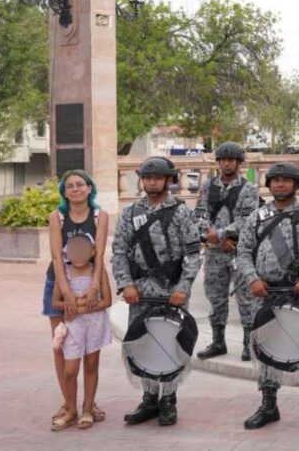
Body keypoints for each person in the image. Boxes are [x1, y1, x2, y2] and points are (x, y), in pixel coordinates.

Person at [235, 162, 299, 431]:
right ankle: (268, 404)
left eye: (287, 180)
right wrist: (252, 279)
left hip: (298, 294)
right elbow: (242, 252)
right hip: (264, 294)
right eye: (275, 180)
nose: (280, 184)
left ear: (297, 184)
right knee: (265, 348)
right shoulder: (257, 216)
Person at [112, 157, 204, 427]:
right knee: (142, 345)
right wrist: (125, 283)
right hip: (140, 292)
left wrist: (183, 288)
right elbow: (119, 250)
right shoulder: (130, 213)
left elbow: (192, 253)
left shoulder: (181, 212)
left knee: (169, 346)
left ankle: (168, 400)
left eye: (157, 177)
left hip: (171, 292)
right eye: (147, 177)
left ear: (168, 180)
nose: (151, 181)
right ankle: (149, 399)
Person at [46, 170, 110, 431]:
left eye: (80, 185)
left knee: (90, 352)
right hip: (59, 285)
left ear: (89, 188)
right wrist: (67, 292)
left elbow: (100, 255)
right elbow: (56, 257)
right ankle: (69, 404)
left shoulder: (100, 216)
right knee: (63, 346)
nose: (75, 189)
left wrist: (95, 286)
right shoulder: (57, 217)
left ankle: (88, 405)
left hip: (91, 284)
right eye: (69, 186)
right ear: (64, 191)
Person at [193, 142, 261, 361]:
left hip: (240, 252)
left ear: (239, 163)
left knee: (246, 299)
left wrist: (222, 234)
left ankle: (248, 344)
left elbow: (249, 219)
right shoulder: (207, 186)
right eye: (223, 159)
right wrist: (211, 236)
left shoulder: (248, 189)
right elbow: (199, 215)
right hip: (214, 252)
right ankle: (218, 341)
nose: (227, 163)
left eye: (231, 159)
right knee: (216, 298)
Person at [50, 230, 113, 431]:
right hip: (74, 325)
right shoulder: (65, 274)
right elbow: (56, 302)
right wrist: (78, 306)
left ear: (93, 251)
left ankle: (87, 409)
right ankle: (70, 410)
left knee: (92, 364)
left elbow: (107, 300)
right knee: (70, 370)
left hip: (95, 323)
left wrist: (79, 308)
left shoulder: (98, 271)